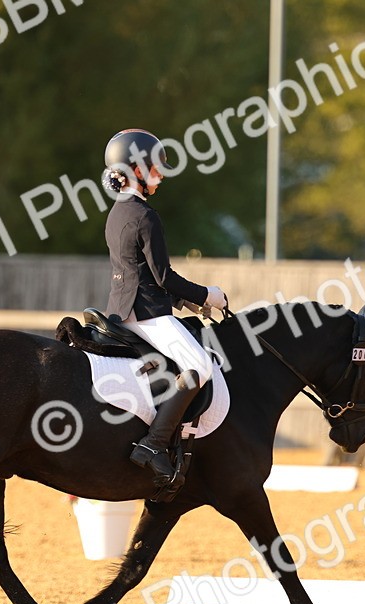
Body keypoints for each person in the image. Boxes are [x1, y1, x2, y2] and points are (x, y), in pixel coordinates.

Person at [101, 128, 227, 488]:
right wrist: (207, 295)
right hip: (147, 315)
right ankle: (153, 444)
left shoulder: (117, 212)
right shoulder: (146, 216)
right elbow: (163, 275)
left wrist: (182, 300)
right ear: (136, 169)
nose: (162, 174)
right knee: (200, 365)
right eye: (156, 167)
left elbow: (138, 272)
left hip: (124, 307)